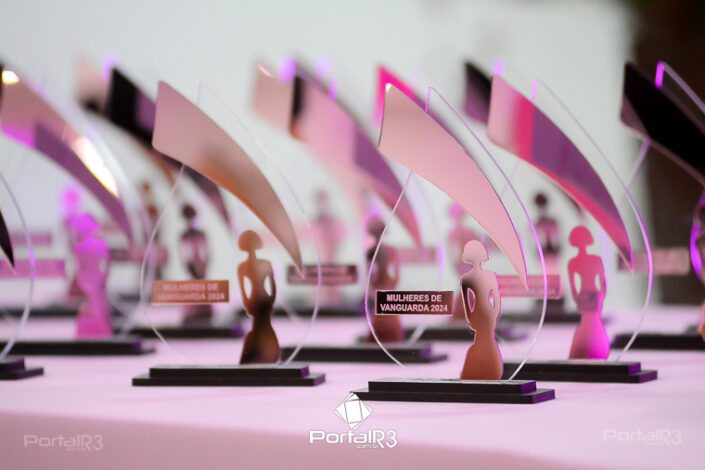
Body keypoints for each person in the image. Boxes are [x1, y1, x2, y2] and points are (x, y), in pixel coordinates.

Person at [459, 240, 503, 380]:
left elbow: (467, 304)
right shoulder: (489, 276)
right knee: (487, 340)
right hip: (487, 313)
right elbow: (496, 299)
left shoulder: (466, 278)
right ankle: (490, 369)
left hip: (478, 313)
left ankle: (485, 368)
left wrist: (469, 317)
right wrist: (494, 312)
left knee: (483, 340)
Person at [567, 225, 610, 359]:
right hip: (587, 296)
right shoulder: (573, 263)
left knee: (593, 322)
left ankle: (596, 350)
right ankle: (589, 350)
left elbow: (603, 283)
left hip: (592, 295)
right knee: (588, 322)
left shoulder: (594, 260)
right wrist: (578, 299)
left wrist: (600, 297)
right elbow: (573, 287)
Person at [237, 230, 279, 364]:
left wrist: (270, 299)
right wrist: (247, 302)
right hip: (259, 300)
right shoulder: (244, 267)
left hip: (260, 300)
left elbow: (272, 285)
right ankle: (264, 354)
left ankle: (265, 354)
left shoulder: (247, 266)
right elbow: (243, 289)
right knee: (261, 326)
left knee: (262, 326)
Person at [74, 214, 113, 338]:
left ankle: (98, 327)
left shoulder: (97, 244)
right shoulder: (82, 247)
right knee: (94, 303)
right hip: (91, 278)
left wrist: (104, 276)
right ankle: (96, 327)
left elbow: (106, 262)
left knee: (97, 303)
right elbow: (80, 266)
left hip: (94, 277)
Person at [366, 216, 403, 343]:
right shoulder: (370, 252)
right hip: (381, 288)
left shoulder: (390, 251)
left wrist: (390, 287)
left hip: (386, 287)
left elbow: (396, 272)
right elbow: (369, 274)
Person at [179, 204, 212, 324]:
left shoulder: (201, 234)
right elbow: (185, 256)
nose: (191, 221)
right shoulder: (185, 236)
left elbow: (206, 253)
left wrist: (203, 267)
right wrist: (193, 268)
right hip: (193, 270)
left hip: (201, 269)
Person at [447, 203, 479, 321]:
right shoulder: (458, 233)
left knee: (468, 289)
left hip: (466, 265)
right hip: (465, 265)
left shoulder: (460, 233)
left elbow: (454, 254)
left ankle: (464, 313)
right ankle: (464, 313)